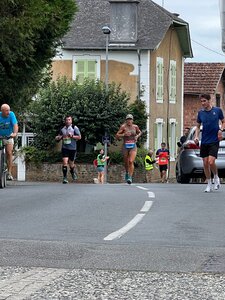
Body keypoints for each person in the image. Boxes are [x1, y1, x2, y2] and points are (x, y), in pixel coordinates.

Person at [194, 94, 225, 192]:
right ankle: (208, 183)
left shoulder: (217, 111)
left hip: (214, 140)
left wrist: (221, 130)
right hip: (204, 141)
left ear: (209, 101)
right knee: (205, 163)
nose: (203, 103)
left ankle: (216, 177)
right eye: (201, 101)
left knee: (211, 162)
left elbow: (223, 121)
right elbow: (198, 126)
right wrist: (196, 136)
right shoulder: (201, 113)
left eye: (204, 101)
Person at [116, 114, 142, 184]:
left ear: (132, 120)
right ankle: (127, 172)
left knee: (131, 161)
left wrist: (137, 136)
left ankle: (130, 177)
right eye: (128, 119)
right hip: (125, 146)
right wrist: (123, 134)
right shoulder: (123, 127)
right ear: (126, 120)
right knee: (126, 162)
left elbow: (140, 132)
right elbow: (117, 135)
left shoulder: (135, 127)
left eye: (130, 119)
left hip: (133, 145)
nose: (129, 121)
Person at [55, 116, 81, 184]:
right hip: (65, 148)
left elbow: (79, 137)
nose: (67, 121)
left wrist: (72, 136)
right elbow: (57, 137)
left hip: (72, 148)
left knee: (71, 163)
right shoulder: (62, 128)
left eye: (69, 120)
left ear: (71, 121)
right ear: (65, 121)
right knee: (65, 162)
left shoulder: (74, 128)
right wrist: (59, 137)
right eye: (66, 120)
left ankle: (72, 172)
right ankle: (65, 178)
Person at [0, 104, 18, 180]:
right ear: (2, 111)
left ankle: (9, 173)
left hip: (9, 136)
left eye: (9, 110)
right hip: (0, 136)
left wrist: (14, 133)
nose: (8, 112)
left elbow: (15, 125)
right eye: (6, 110)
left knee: (9, 152)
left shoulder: (11, 114)